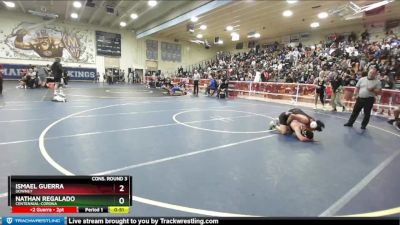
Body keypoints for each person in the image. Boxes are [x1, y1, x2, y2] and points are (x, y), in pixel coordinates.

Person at [344, 65, 381, 129]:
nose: (371, 74)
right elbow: (357, 87)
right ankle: (350, 123)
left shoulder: (377, 82)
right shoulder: (362, 79)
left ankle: (363, 125)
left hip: (369, 99)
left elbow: (379, 91)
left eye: (373, 73)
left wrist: (372, 90)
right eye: (370, 73)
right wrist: (355, 95)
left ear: (375, 74)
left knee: (367, 113)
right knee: (355, 111)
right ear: (368, 72)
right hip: (360, 98)